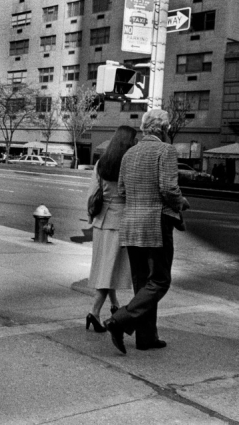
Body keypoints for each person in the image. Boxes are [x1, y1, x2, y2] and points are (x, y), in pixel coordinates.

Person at [104, 109, 189, 354]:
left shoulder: (129, 153)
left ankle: (146, 337)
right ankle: (119, 321)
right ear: (163, 129)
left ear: (144, 128)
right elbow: (169, 188)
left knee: (142, 282)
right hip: (156, 222)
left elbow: (121, 189)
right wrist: (182, 202)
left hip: (131, 222)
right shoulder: (166, 151)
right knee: (160, 280)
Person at [85, 126, 136, 332]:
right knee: (109, 270)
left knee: (107, 266)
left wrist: (91, 218)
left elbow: (92, 193)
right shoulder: (129, 165)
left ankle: (114, 304)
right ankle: (94, 312)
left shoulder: (101, 163)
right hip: (120, 222)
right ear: (128, 143)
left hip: (101, 222)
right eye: (134, 140)